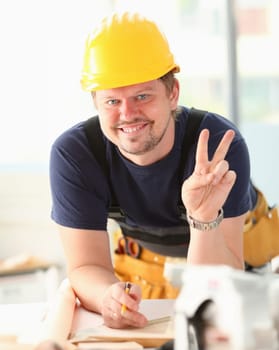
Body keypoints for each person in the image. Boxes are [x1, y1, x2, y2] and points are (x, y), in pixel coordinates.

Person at [49, 11, 257, 329]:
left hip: (239, 246)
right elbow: (86, 265)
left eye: (142, 96)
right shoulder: (77, 155)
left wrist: (203, 217)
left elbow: (222, 281)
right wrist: (108, 297)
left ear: (173, 94)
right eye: (111, 102)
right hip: (150, 255)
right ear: (95, 102)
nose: (127, 114)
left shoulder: (215, 147)